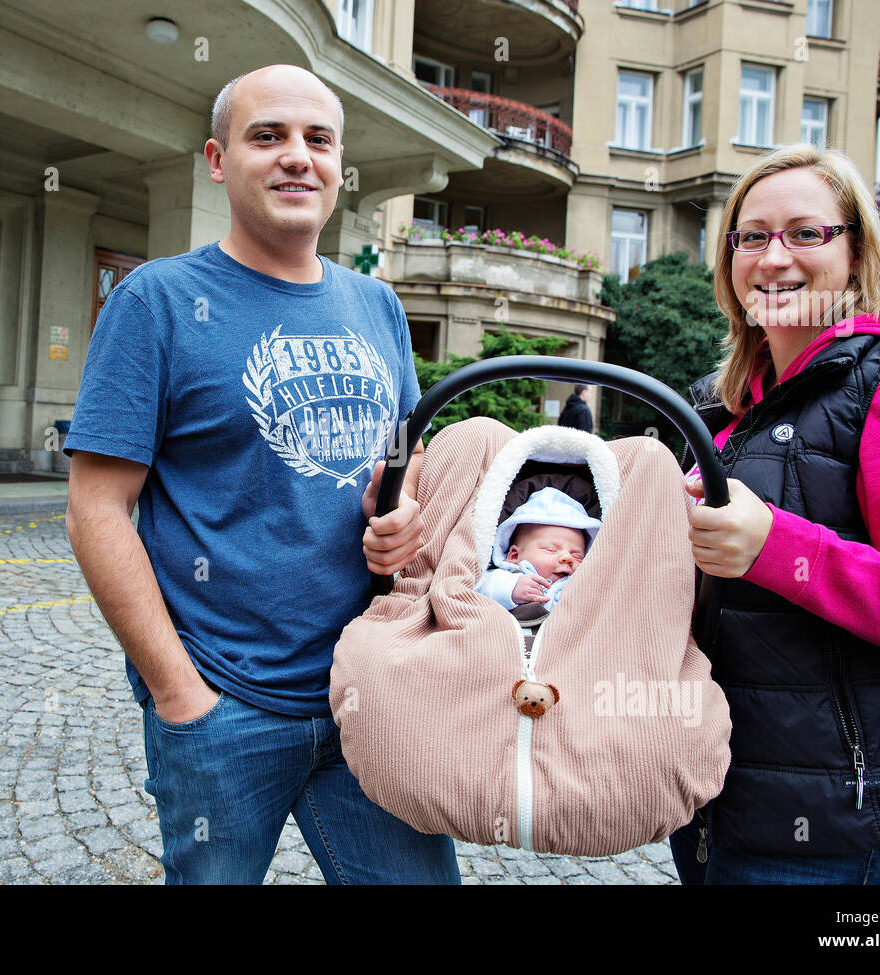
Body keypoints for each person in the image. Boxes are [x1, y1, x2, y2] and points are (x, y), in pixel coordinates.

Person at [62, 64, 460, 884]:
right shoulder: (156, 301)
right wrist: (180, 694)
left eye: (317, 139)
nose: (296, 157)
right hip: (224, 704)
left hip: (369, 689)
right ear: (217, 159)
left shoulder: (376, 305)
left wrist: (400, 510)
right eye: (267, 135)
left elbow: (402, 454)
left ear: (340, 165)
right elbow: (96, 508)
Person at [672, 144, 880, 885]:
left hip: (835, 824)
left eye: (805, 232)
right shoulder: (731, 408)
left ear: (856, 251)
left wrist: (773, 545)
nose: (773, 256)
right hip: (717, 791)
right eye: (751, 236)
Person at [475, 488, 600, 612]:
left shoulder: (581, 586)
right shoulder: (502, 577)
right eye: (551, 549)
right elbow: (476, 591)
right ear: (514, 555)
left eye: (577, 556)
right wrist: (511, 589)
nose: (568, 558)